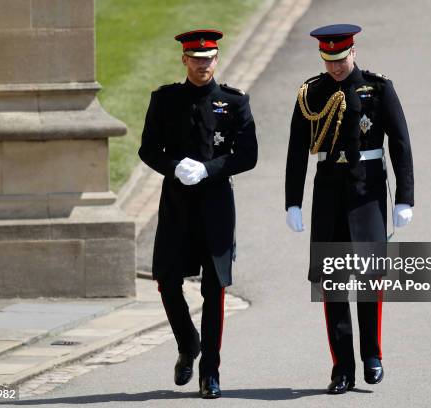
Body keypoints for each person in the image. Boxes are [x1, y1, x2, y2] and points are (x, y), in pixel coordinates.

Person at [284, 24, 414, 394]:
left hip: (368, 192)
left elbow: (400, 144)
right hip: (328, 194)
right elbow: (297, 150)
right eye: (329, 60)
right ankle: (342, 367)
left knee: (370, 279)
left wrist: (405, 197)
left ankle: (372, 355)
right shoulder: (311, 93)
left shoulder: (378, 88)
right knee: (334, 286)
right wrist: (293, 200)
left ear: (353, 52)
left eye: (341, 59)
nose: (336, 67)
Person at [138, 29, 258, 399]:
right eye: (196, 58)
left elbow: (247, 155)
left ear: (216, 59)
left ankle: (210, 373)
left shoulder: (233, 102)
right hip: (176, 202)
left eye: (208, 58)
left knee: (214, 288)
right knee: (166, 280)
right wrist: (174, 166)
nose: (202, 64)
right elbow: (148, 149)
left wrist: (210, 169)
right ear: (184, 59)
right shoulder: (165, 99)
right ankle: (188, 343)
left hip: (217, 203)